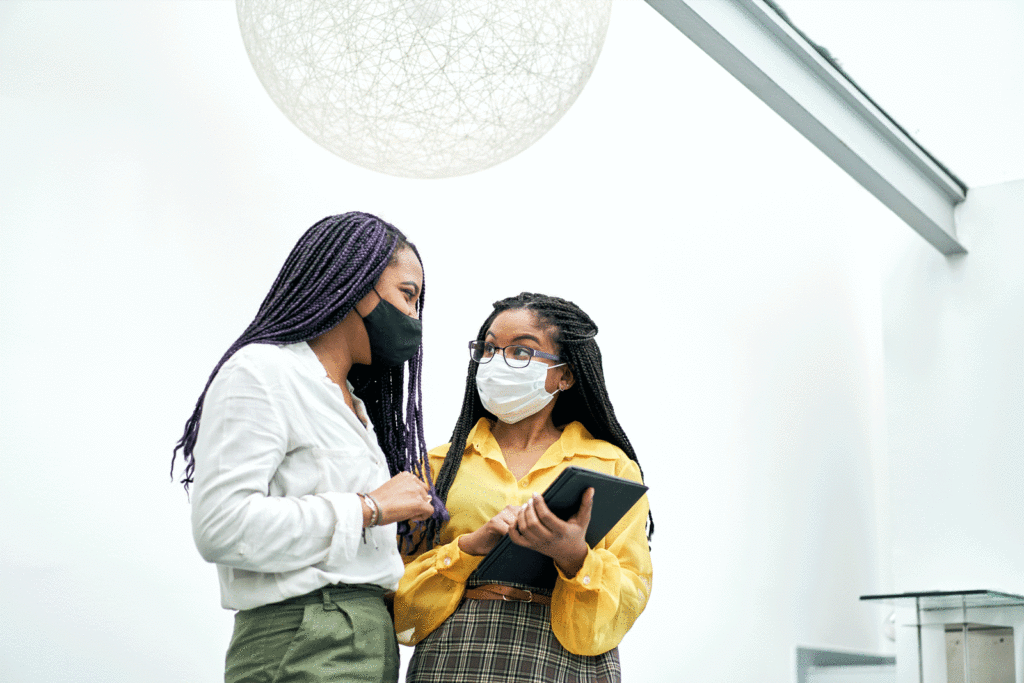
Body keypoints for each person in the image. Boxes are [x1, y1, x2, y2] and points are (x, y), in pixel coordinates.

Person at [171, 212, 445, 683]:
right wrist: (369, 507)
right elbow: (220, 526)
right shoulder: (262, 372)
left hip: (366, 636)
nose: (415, 318)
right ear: (359, 286)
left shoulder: (354, 406)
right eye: (408, 295)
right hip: (305, 636)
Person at [394, 292, 653, 683]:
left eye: (521, 352)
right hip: (455, 653)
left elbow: (632, 588)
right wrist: (468, 548)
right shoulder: (437, 466)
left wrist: (574, 556)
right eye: (489, 349)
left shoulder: (611, 466)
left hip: (566, 658)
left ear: (564, 375)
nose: (498, 362)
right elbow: (397, 594)